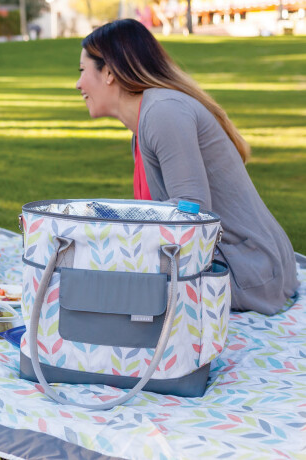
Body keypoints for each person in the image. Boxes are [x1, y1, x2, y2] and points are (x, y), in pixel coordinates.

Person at [76, 19, 299, 315]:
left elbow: (192, 214)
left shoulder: (162, 112)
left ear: (109, 73)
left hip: (249, 274)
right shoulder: (145, 123)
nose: (78, 84)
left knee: (96, 291)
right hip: (237, 265)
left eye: (82, 71)